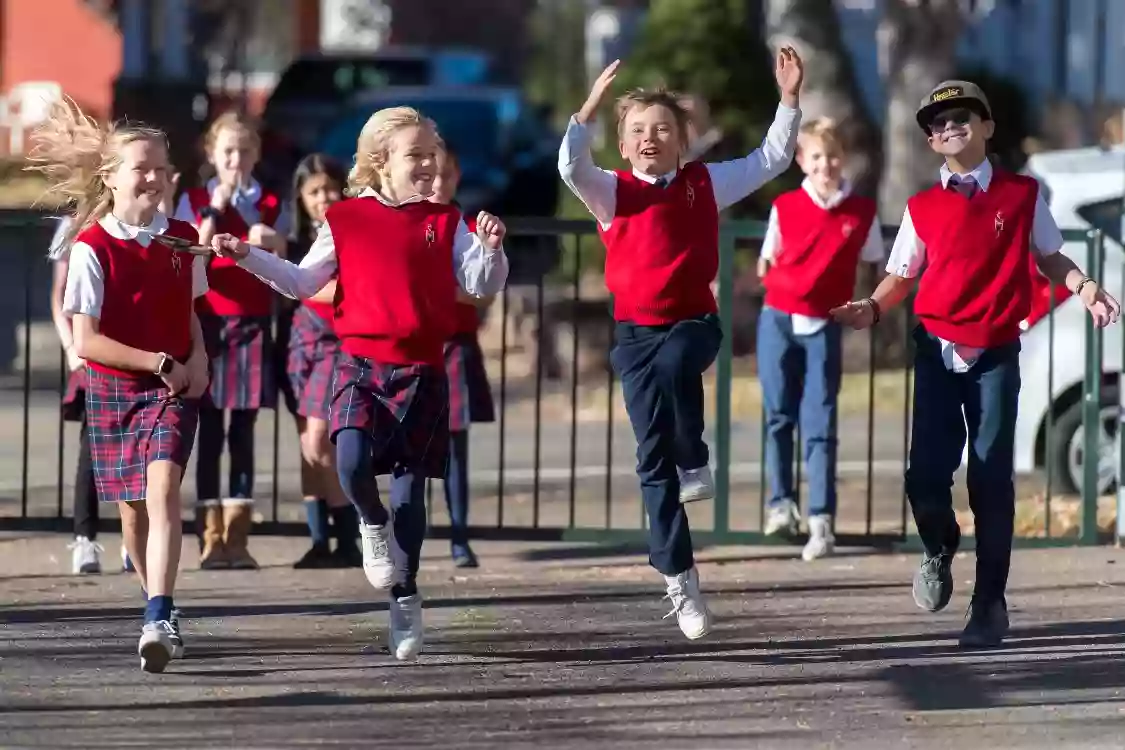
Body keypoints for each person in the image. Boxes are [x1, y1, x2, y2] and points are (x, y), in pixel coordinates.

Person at [209, 106, 509, 661]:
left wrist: (491, 249)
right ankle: (370, 524)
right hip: (359, 364)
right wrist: (249, 256)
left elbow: (480, 283)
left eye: (432, 153)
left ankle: (405, 596)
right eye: (415, 154)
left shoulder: (446, 220)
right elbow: (300, 282)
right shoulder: (344, 218)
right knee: (345, 460)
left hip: (422, 369)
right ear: (381, 162)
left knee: (410, 496)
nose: (428, 164)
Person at [832, 81, 1121, 648]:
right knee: (925, 478)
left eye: (960, 117)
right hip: (936, 350)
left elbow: (1050, 255)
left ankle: (989, 602)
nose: (948, 128)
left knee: (991, 476)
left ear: (987, 127)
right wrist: (871, 307)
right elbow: (903, 273)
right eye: (936, 124)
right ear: (929, 140)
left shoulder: (1021, 194)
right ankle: (939, 547)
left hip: (994, 353)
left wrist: (1084, 286)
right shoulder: (922, 205)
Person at [558, 50, 803, 640]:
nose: (650, 139)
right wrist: (589, 106)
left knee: (677, 367)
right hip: (634, 334)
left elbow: (770, 158)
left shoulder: (704, 183)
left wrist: (789, 99)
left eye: (662, 129)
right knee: (650, 459)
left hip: (693, 324)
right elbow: (570, 166)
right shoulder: (611, 191)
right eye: (638, 131)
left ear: (683, 141)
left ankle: (693, 452)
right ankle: (680, 579)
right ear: (622, 143)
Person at [28, 99, 210, 672]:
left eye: (161, 167)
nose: (154, 177)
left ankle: (159, 611)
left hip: (171, 390)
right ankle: (152, 601)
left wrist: (199, 356)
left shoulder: (183, 237)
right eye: (141, 167)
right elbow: (86, 341)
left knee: (163, 494)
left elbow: (193, 311)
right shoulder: (91, 249)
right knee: (133, 514)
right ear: (112, 176)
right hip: (117, 389)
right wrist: (158, 361)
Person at [756, 117, 884, 561]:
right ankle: (780, 504)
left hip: (825, 324)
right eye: (815, 156)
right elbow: (767, 260)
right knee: (777, 414)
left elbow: (873, 264)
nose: (825, 165)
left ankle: (821, 520)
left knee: (821, 422)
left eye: (832, 156)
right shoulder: (785, 205)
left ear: (843, 159)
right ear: (801, 162)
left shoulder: (861, 212)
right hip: (778, 318)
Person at [175, 112, 287, 570]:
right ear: (212, 155)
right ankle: (209, 537)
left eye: (243, 152)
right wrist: (211, 211)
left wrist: (269, 238)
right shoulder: (196, 197)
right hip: (211, 324)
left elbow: (283, 254)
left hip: (253, 322)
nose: (236, 160)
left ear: (255, 155)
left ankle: (238, 539)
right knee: (209, 433)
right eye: (227, 152)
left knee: (242, 432)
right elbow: (191, 257)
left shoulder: (270, 199)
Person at [283, 153, 361, 569]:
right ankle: (319, 539)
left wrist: (301, 288)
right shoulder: (295, 237)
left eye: (330, 188)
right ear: (300, 197)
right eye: (314, 191)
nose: (323, 197)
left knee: (319, 440)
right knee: (305, 446)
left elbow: (348, 288)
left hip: (336, 343)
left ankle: (349, 536)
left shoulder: (351, 230)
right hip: (299, 342)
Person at [430, 144, 497, 569]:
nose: (436, 183)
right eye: (429, 173)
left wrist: (440, 293)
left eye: (446, 175)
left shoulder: (467, 227)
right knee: (408, 450)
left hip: (454, 344)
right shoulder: (404, 221)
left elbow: (482, 290)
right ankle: (406, 534)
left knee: (455, 449)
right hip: (411, 346)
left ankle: (459, 535)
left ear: (456, 178)